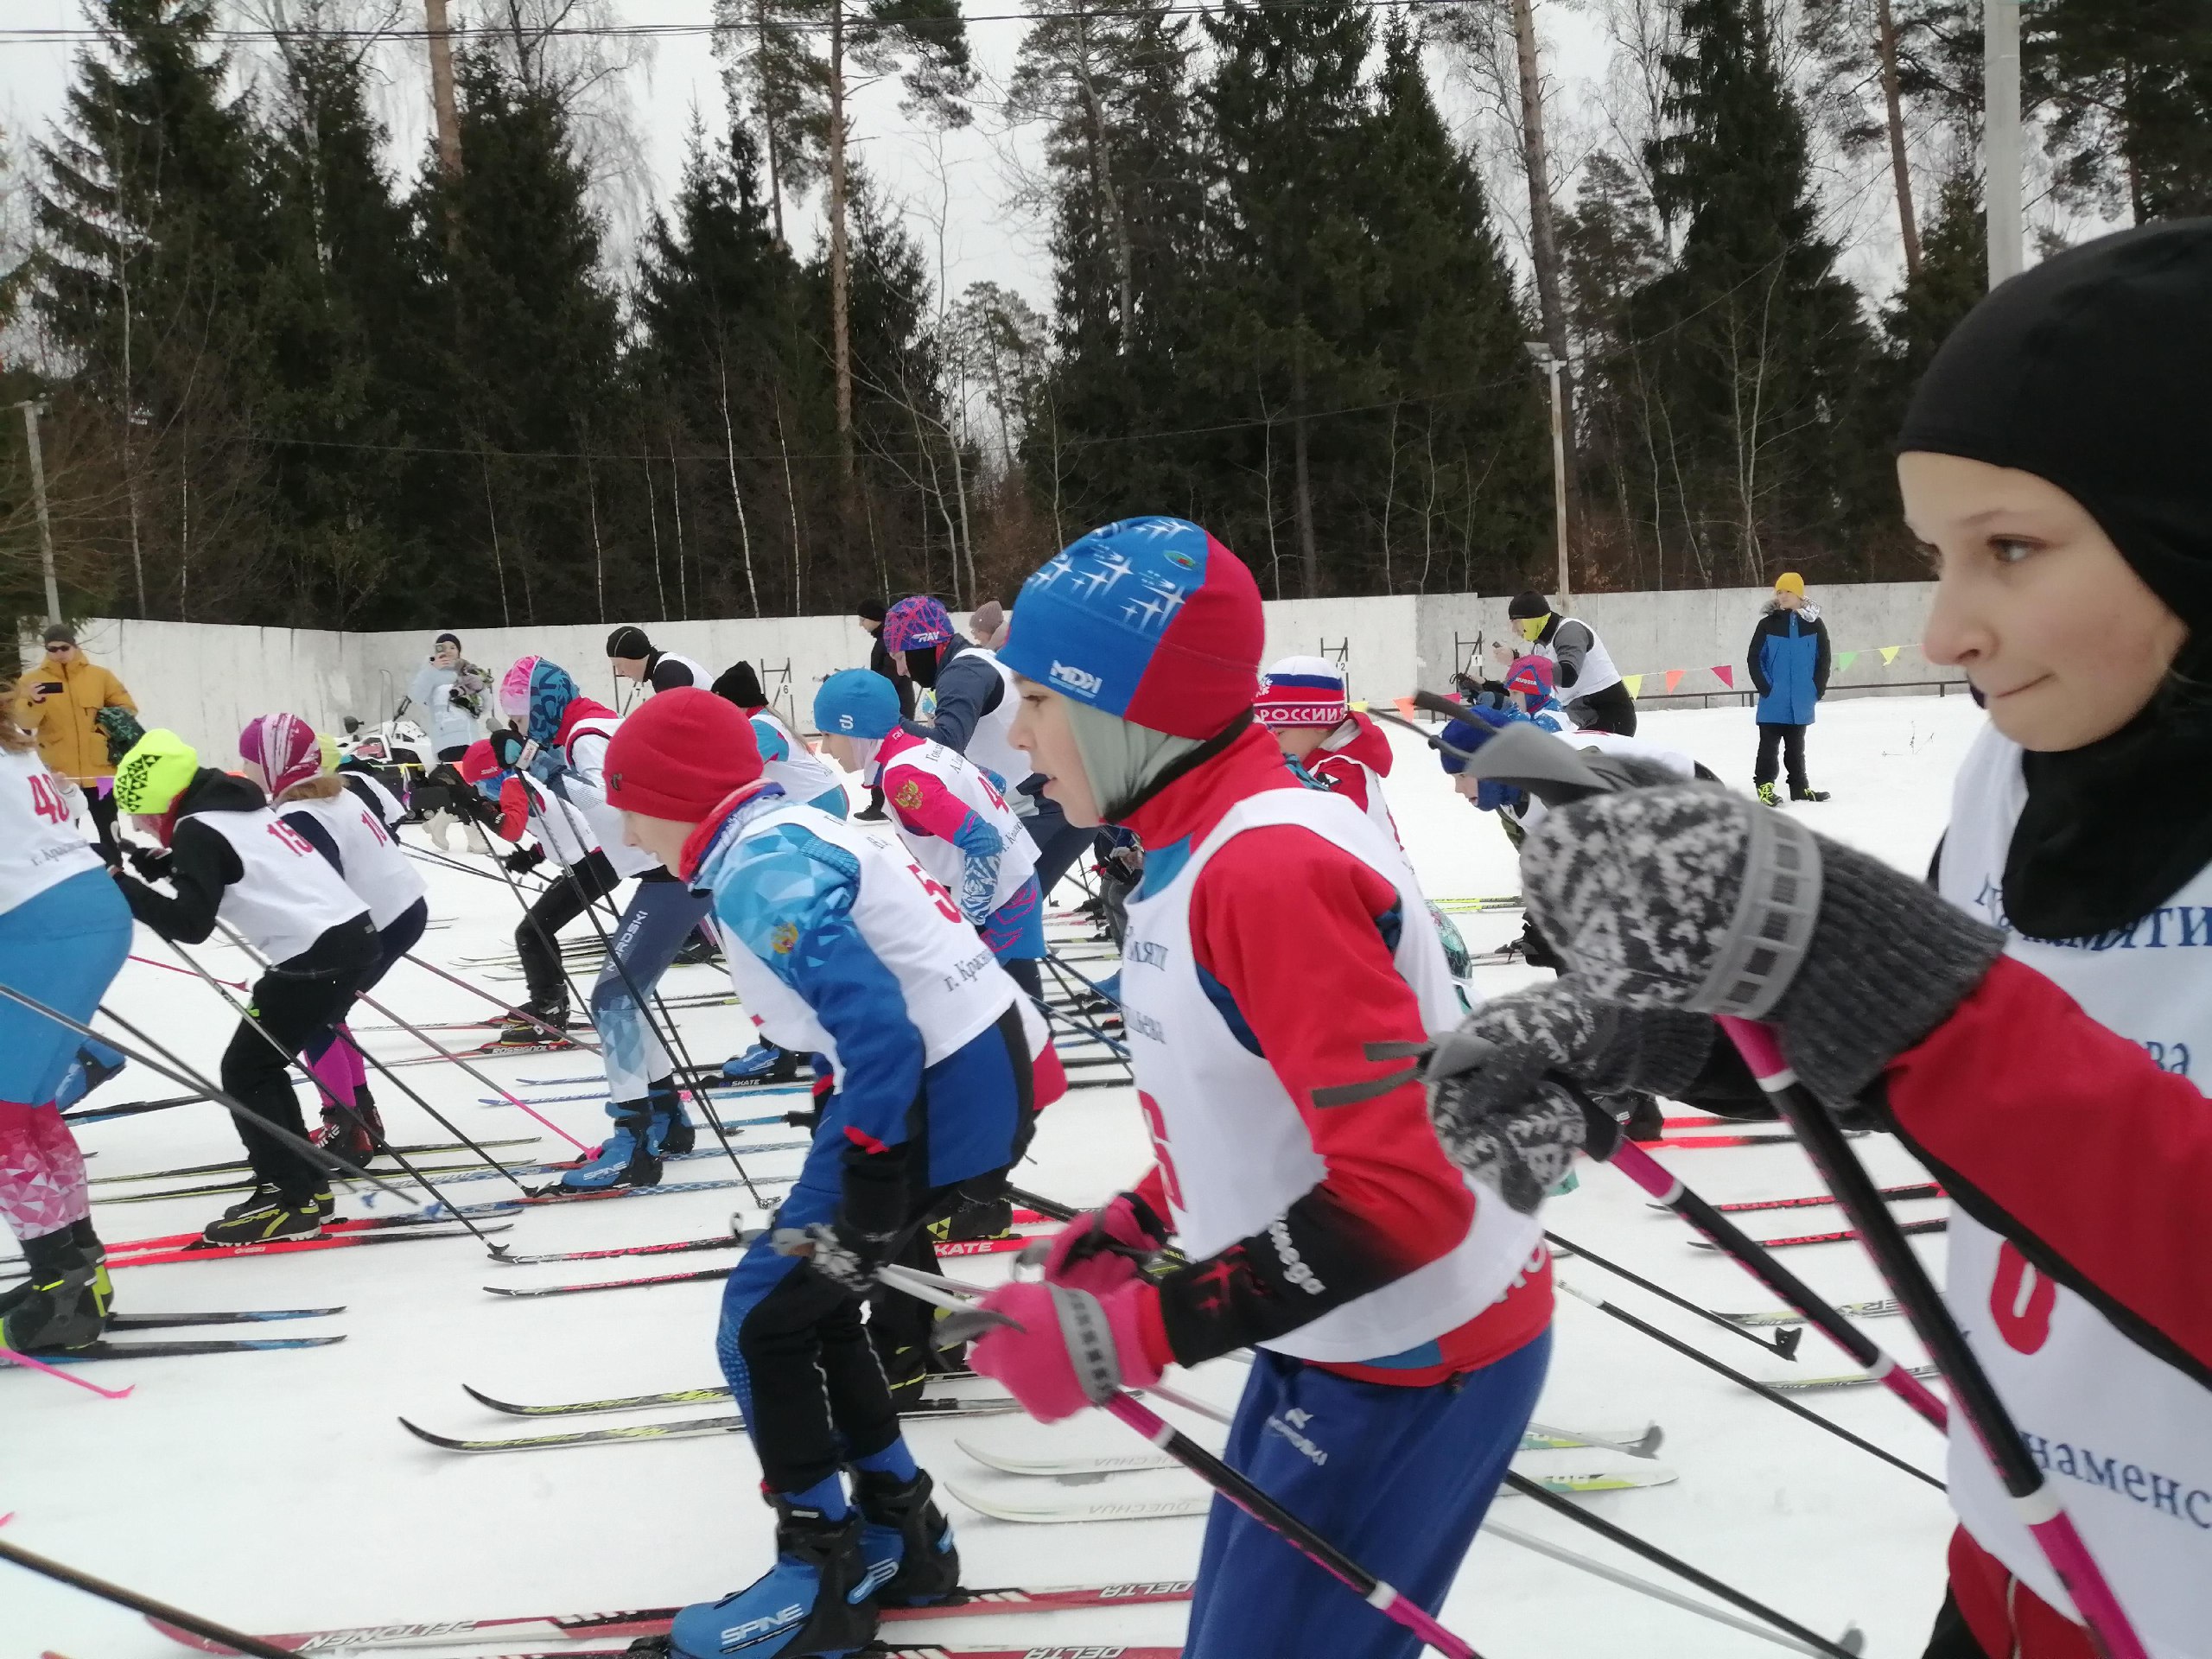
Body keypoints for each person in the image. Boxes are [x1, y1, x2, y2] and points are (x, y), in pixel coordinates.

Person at [1428, 220, 2212, 1659]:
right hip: (2025, 1576)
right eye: (1937, 556)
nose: (1948, 627)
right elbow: (1934, 1039)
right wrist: (1667, 1030)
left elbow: (1950, 1026)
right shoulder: (2022, 785)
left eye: (2012, 550)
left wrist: (1859, 960)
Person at [958, 518, 1554, 1659]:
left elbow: (1402, 1196)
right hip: (1337, 1325)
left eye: (1038, 703)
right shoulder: (1195, 840)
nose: (1023, 745)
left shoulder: (1265, 871)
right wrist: (1141, 1222)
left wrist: (1132, 1335)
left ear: (1132, 706)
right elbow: (1257, 1100)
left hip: (1418, 1351)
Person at [602, 688, 1039, 1659]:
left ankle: (817, 1581)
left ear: (672, 795)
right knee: (814, 1303)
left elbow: (876, 1026)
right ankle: (900, 1531)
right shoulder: (781, 831)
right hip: (957, 1079)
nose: (624, 825)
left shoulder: (759, 866)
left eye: (627, 800)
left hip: (921, 1099)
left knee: (759, 1320)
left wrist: (873, 1165)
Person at [110, 730, 379, 1243]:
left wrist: (120, 886)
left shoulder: (196, 827)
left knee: (245, 1070)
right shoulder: (234, 807)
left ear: (160, 800)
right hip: (347, 939)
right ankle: (304, 1183)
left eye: (140, 813)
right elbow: (232, 870)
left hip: (316, 952)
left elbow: (191, 924)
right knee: (260, 1065)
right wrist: (164, 868)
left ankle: (291, 1196)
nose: (143, 826)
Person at [499, 657, 698, 1187]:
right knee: (629, 994)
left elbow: (613, 802)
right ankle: (664, 1114)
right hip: (667, 872)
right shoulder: (588, 724)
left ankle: (634, 1141)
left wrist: (551, 775)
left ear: (542, 706)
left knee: (613, 999)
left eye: (520, 715)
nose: (519, 727)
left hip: (673, 873)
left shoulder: (586, 736)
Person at [0, 672, 134, 1352]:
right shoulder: (14, 744)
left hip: (37, 928)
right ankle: (79, 1266)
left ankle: (63, 1290)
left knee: (1, 1119)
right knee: (26, 1110)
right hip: (83, 913)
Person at [240, 713, 430, 1162]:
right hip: (400, 908)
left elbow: (321, 884)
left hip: (374, 922)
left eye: (251, 760)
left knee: (315, 1015)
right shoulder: (334, 793)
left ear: (274, 764)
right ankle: (361, 1115)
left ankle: (344, 1126)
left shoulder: (299, 813)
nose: (245, 769)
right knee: (330, 1010)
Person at [814, 669, 1048, 1001]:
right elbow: (989, 780)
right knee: (1015, 1008)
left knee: (985, 1011)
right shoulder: (921, 747)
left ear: (856, 730)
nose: (825, 749)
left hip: (1001, 904)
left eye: (828, 735)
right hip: (1014, 886)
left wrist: (968, 920)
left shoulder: (902, 777)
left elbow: (984, 841)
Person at [883, 594, 1094, 902]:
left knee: (992, 910)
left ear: (925, 646)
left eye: (901, 657)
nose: (902, 671)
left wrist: (887, 723)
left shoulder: (961, 673)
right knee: (1010, 911)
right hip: (1059, 794)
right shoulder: (977, 660)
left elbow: (947, 743)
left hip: (1041, 801)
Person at [456, 731, 617, 1044]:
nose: (481, 791)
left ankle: (550, 1010)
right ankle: (550, 1003)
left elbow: (511, 830)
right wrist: (534, 855)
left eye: (478, 784)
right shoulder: (528, 778)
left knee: (532, 933)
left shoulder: (512, 783)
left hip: (592, 865)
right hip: (596, 860)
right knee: (538, 930)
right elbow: (558, 823)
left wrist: (477, 808)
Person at [13, 622, 137, 866]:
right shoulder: (31, 681)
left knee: (110, 832)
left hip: (100, 771)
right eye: (52, 649)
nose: (58, 653)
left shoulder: (100, 676)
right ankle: (72, 878)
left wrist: (101, 731)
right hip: (60, 774)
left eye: (63, 647)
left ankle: (117, 878)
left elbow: (128, 709)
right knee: (64, 836)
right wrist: (34, 700)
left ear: (74, 646)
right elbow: (23, 721)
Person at [1252, 655, 1402, 841]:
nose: (1269, 742)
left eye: (1279, 733)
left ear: (1321, 724)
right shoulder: (1309, 758)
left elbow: (1304, 843)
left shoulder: (1344, 776)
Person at [1747, 573, 1833, 805]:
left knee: (1796, 748)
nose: (1782, 596)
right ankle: (1764, 787)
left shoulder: (1814, 625)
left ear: (1799, 594)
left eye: (1787, 591)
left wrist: (1817, 688)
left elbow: (1823, 659)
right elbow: (1755, 658)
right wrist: (1766, 687)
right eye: (1779, 592)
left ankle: (1799, 788)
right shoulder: (1767, 624)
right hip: (1774, 698)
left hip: (1802, 698)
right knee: (1768, 746)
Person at [1504, 592, 1637, 735]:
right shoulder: (1539, 648)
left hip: (1612, 717)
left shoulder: (1570, 631)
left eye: (1515, 622)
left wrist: (1522, 662)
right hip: (1591, 721)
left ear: (1532, 618)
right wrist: (1486, 685)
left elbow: (1568, 675)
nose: (1513, 630)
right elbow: (1530, 685)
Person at [409, 633, 492, 851]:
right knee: (465, 787)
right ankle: (473, 834)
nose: (449, 651)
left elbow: (485, 700)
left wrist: (481, 700)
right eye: (443, 647)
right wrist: (432, 669)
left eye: (453, 646)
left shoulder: (467, 673)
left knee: (470, 787)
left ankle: (439, 822)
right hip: (447, 740)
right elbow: (416, 695)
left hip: (470, 738)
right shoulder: (431, 673)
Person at [607, 626, 710, 698]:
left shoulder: (667, 673)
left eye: (619, 665)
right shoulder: (665, 664)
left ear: (633, 656)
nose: (620, 672)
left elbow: (675, 722)